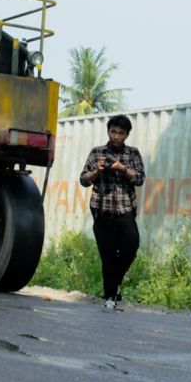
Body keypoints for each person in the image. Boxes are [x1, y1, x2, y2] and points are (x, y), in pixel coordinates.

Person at [79, 114, 145, 310]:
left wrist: (121, 168)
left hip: (125, 209)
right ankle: (110, 296)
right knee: (107, 255)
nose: (116, 136)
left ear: (126, 135)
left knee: (131, 246)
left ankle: (114, 282)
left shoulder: (133, 154)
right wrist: (97, 171)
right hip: (101, 209)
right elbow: (83, 179)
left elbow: (140, 178)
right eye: (113, 132)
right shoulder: (96, 152)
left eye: (121, 133)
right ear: (108, 132)